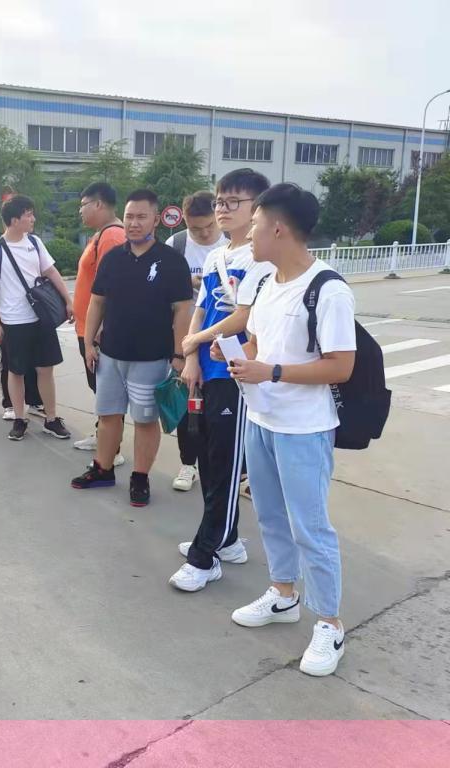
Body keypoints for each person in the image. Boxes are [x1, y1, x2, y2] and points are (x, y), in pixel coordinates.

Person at [226, 184, 356, 677]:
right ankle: (283, 594)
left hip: (303, 429)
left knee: (310, 527)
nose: (249, 235)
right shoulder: (266, 282)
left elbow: (340, 366)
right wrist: (239, 356)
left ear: (278, 228)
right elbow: (259, 344)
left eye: (255, 225)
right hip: (261, 418)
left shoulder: (328, 289)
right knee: (271, 517)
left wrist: (272, 372)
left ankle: (329, 624)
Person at [168, 169, 272, 592]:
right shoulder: (217, 256)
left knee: (226, 465)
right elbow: (200, 309)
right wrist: (191, 354)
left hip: (238, 371)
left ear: (257, 208)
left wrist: (196, 340)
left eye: (233, 202)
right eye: (219, 201)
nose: (223, 209)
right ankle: (226, 540)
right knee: (210, 460)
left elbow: (243, 317)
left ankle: (205, 555)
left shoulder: (261, 258)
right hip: (208, 369)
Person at [72, 190, 193, 506]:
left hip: (151, 358)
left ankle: (140, 477)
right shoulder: (113, 258)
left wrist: (179, 355)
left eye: (141, 217)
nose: (134, 223)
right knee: (108, 414)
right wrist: (89, 342)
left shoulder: (171, 262)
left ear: (155, 219)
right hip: (110, 354)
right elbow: (97, 302)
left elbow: (182, 310)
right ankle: (103, 468)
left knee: (144, 420)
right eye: (129, 217)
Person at [0, 195, 74, 442]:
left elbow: (50, 271)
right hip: (14, 321)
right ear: (14, 220)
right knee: (17, 371)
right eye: (28, 214)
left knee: (45, 368)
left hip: (41, 317)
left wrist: (68, 300)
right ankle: (20, 419)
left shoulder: (35, 242)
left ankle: (51, 419)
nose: (33, 218)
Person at [166, 191, 230, 492]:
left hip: (226, 339)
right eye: (196, 228)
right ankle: (188, 463)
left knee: (223, 405)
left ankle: (231, 468)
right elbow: (164, 290)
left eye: (209, 226)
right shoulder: (176, 245)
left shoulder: (232, 242)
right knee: (188, 403)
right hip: (185, 336)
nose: (204, 234)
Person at [71, 181, 127, 461]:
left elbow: (113, 289)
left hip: (98, 333)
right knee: (100, 388)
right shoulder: (102, 234)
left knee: (108, 391)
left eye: (83, 205)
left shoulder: (112, 237)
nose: (80, 211)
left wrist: (97, 333)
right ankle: (103, 436)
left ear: (99, 204)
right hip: (87, 327)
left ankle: (112, 449)